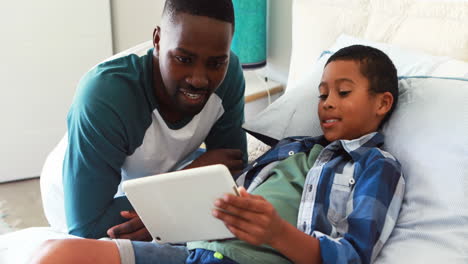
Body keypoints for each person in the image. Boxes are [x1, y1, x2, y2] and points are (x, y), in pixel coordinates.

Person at [32, 45, 405, 264]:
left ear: (382, 103)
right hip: (195, 250)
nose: (326, 104)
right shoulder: (290, 149)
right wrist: (170, 219)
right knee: (55, 252)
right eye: (322, 94)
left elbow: (353, 255)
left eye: (343, 92)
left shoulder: (376, 167)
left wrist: (277, 233)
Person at [40, 0, 247, 240]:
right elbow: (89, 226)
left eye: (216, 63)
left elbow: (232, 170)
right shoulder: (106, 96)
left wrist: (172, 197)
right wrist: (179, 190)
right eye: (183, 59)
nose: (199, 79)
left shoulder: (229, 74)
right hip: (77, 195)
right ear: (157, 41)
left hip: (154, 177)